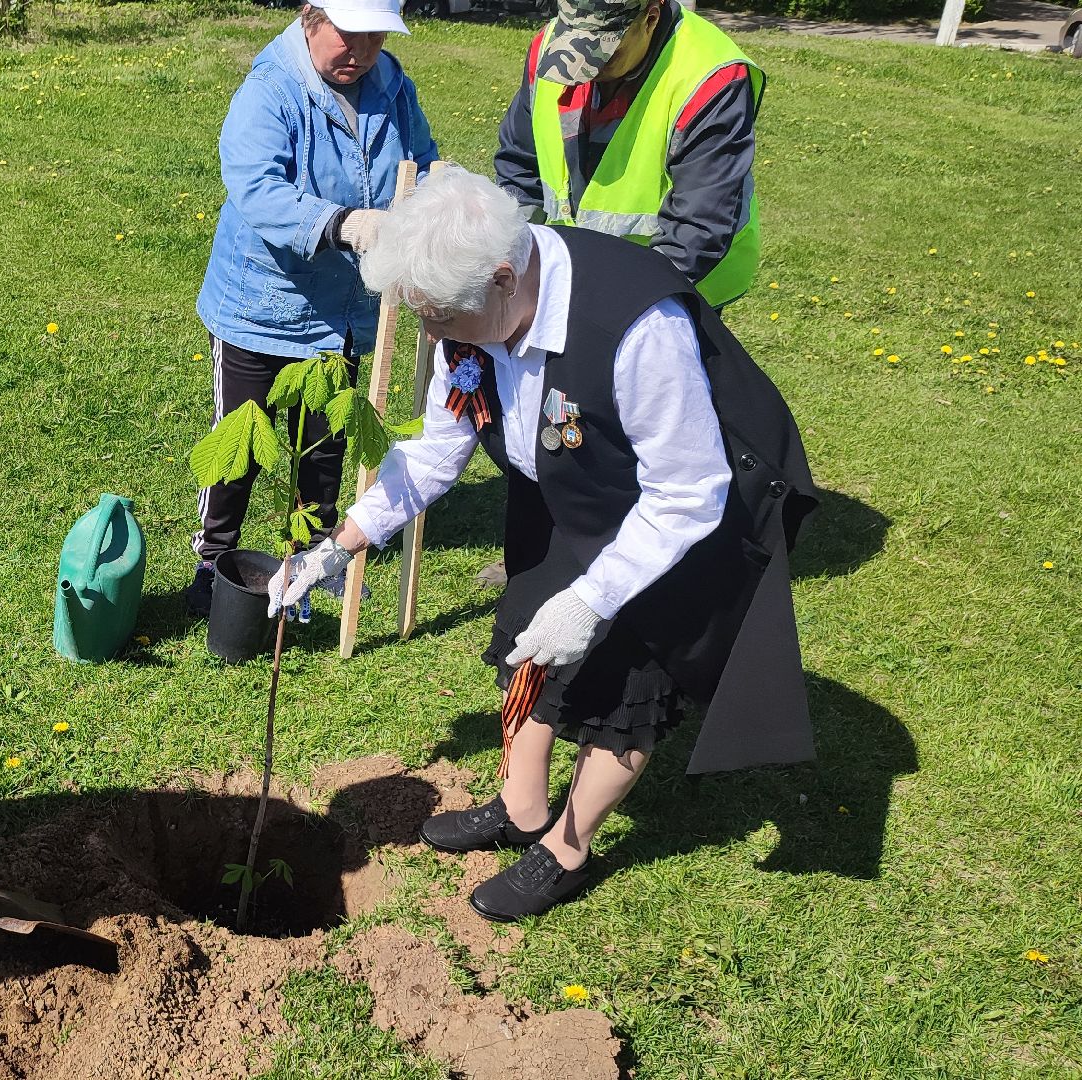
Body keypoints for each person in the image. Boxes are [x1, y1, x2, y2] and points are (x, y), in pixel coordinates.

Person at [269, 166, 816, 921]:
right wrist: (340, 544)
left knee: (626, 687)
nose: (433, 338)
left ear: (503, 278)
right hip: (568, 490)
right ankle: (521, 808)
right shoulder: (468, 316)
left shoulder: (634, 325)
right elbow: (436, 449)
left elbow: (689, 492)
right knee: (528, 636)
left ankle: (566, 847)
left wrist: (593, 598)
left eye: (442, 322)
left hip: (678, 515)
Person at [187, 0, 441, 618]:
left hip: (345, 311)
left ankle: (311, 566)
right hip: (264, 305)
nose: (359, 51)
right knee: (238, 447)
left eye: (373, 36)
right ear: (311, 19)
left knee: (326, 445)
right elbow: (254, 185)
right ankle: (213, 564)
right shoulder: (272, 87)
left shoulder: (390, 83)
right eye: (346, 36)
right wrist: (342, 222)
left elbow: (423, 158)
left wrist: (436, 202)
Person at [494, 0, 764, 310]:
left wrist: (612, 312)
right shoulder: (550, 46)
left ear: (650, 18)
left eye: (604, 52)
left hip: (672, 290)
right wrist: (516, 270)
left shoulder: (709, 75)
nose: (585, 69)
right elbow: (519, 170)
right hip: (573, 282)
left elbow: (697, 228)